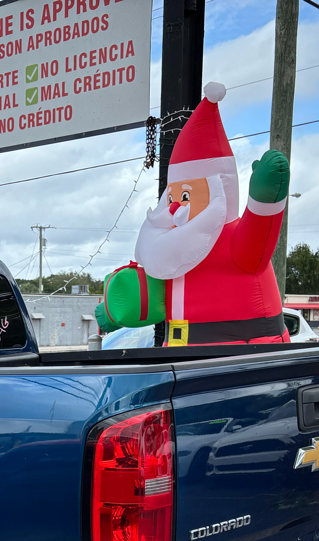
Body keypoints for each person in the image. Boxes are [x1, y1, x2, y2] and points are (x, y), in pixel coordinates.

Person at [96, 81, 292, 346]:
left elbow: (261, 228)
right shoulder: (167, 245)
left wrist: (264, 198)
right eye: (173, 196)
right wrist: (114, 308)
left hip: (242, 356)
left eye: (186, 196)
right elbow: (148, 296)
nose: (175, 206)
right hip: (177, 356)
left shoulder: (234, 239)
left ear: (219, 192)